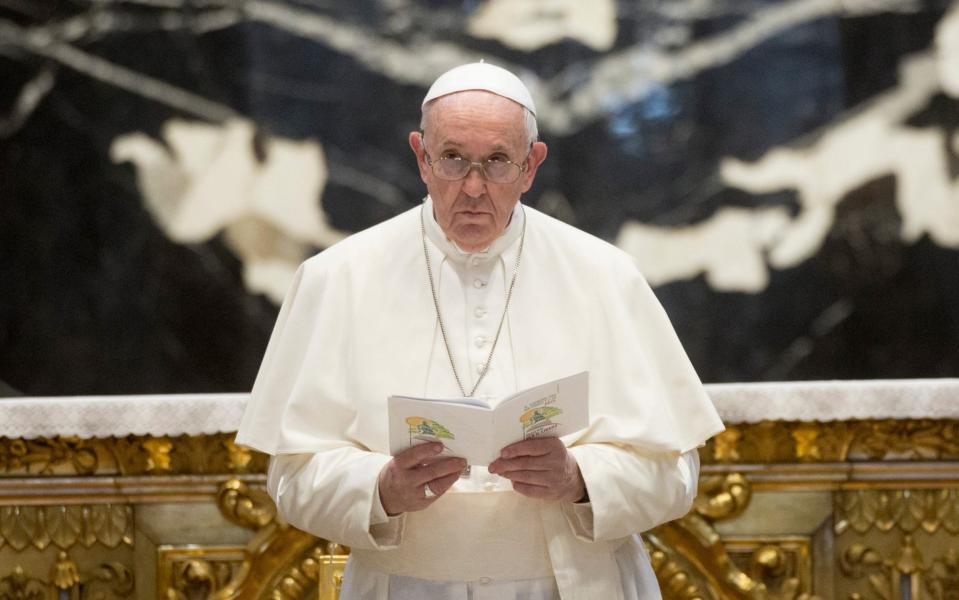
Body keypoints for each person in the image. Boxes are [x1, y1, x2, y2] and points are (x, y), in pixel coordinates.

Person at [236, 62, 724, 600]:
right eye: (452, 160)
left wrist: (580, 479)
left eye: (496, 162)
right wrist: (381, 489)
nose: (472, 187)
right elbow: (290, 479)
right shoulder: (338, 278)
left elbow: (677, 475)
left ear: (531, 166)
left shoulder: (603, 275)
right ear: (420, 156)